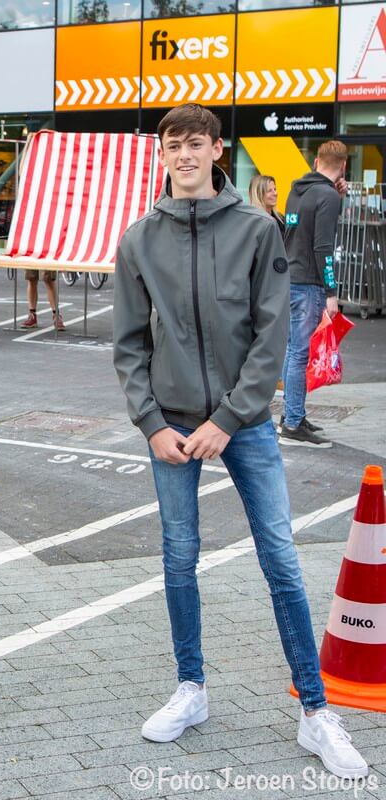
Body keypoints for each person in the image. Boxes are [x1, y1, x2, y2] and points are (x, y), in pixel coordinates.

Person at [112, 104, 368, 779]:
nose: (184, 156)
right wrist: (151, 424)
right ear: (162, 155)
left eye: (196, 144)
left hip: (244, 426)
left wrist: (228, 419)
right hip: (168, 426)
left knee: (280, 559)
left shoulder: (257, 230)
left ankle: (315, 713)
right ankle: (190, 689)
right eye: (173, 146)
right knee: (177, 558)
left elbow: (272, 334)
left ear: (217, 150)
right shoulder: (138, 239)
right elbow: (129, 346)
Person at [280, 140, 348, 448]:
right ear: (343, 166)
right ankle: (293, 424)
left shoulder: (298, 190)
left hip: (290, 279)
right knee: (300, 354)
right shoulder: (327, 196)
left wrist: (337, 197)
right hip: (309, 284)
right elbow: (324, 246)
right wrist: (331, 290)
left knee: (292, 351)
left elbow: (298, 231)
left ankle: (292, 415)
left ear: (315, 161)